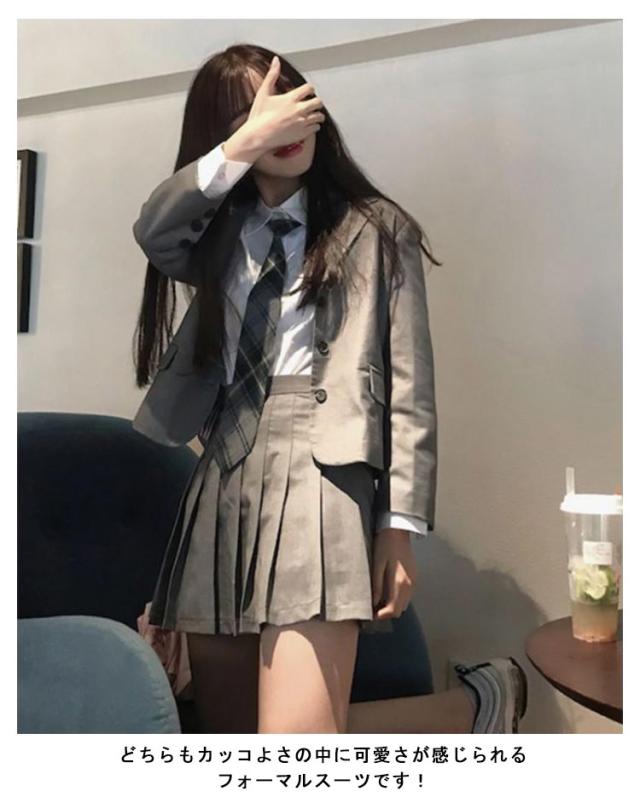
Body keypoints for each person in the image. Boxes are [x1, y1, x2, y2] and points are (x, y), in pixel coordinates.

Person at [131, 44, 528, 734]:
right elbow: (152, 229)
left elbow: (410, 389)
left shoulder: (376, 229)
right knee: (233, 741)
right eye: (256, 113)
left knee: (297, 743)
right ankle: (473, 709)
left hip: (324, 472)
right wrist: (243, 146)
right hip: (224, 470)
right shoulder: (214, 233)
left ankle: (472, 708)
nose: (285, 123)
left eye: (293, 100)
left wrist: (398, 527)